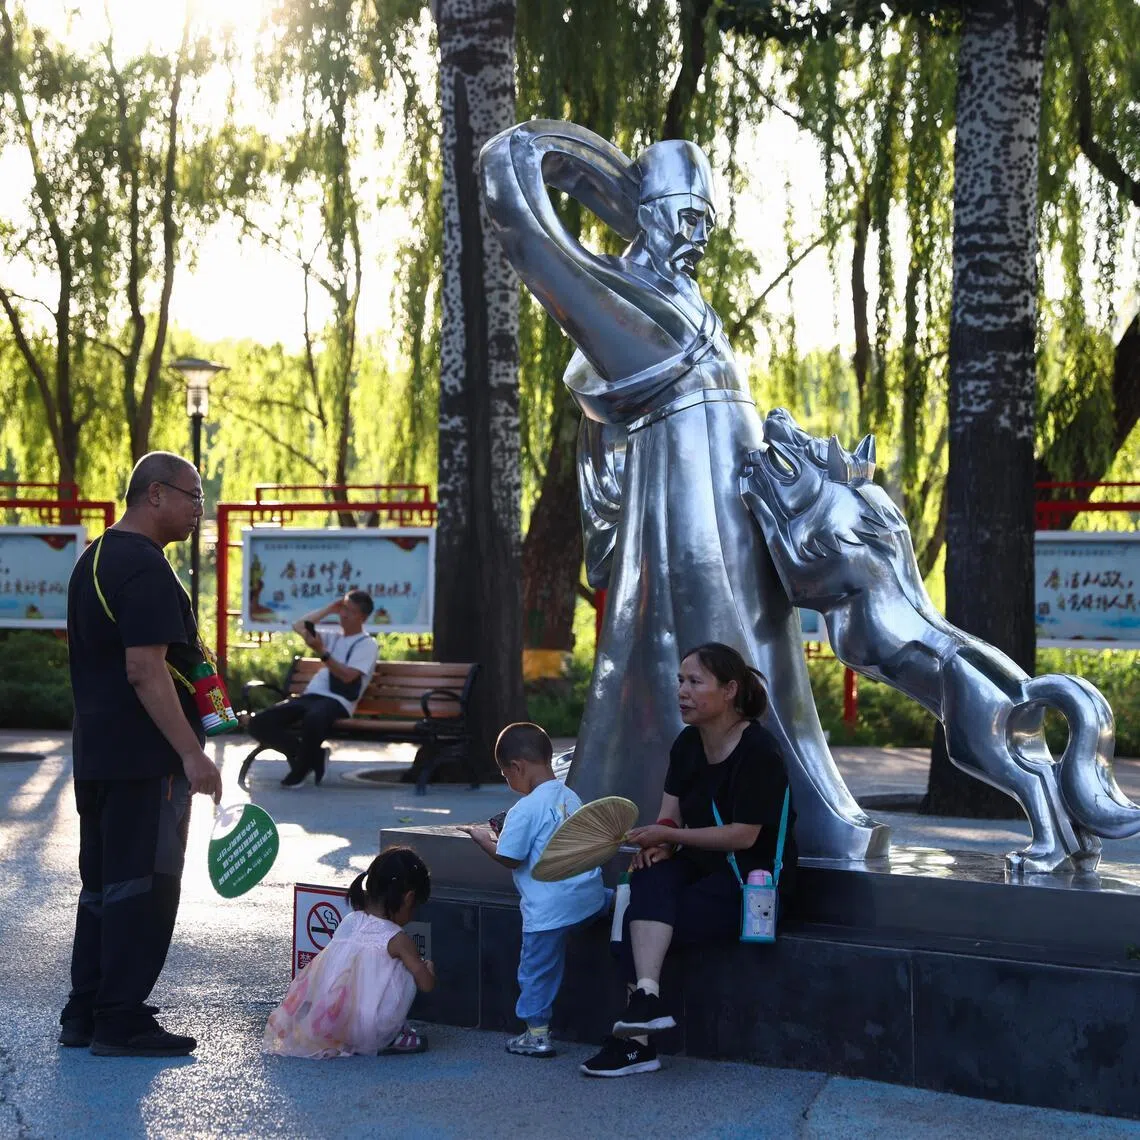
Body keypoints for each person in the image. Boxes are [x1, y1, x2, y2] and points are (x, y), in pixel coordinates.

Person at [480, 121, 882, 861]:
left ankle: (792, 793)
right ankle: (651, 790)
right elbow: (515, 188)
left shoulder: (690, 300)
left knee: (763, 641)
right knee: (698, 635)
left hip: (732, 495)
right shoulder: (622, 296)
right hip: (676, 504)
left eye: (707, 219)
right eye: (683, 215)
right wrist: (601, 175)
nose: (698, 234)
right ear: (648, 211)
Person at [60, 451, 223, 1057]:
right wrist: (192, 755)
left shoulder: (93, 559)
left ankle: (86, 1010)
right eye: (193, 496)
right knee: (145, 887)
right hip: (146, 762)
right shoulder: (148, 570)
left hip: (98, 755)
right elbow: (144, 668)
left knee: (102, 886)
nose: (198, 511)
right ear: (155, 494)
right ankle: (121, 1018)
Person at [580, 642, 796, 1078]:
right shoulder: (687, 743)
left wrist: (671, 836)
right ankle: (646, 999)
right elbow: (669, 812)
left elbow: (745, 834)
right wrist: (660, 841)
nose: (682, 691)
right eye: (680, 681)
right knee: (645, 875)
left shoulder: (759, 751)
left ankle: (635, 1044)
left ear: (731, 690)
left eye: (695, 682)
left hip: (750, 881)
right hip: (700, 866)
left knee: (638, 919)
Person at [460, 723, 607, 1058]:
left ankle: (536, 1034)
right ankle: (621, 905)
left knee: (536, 972)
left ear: (518, 767)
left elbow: (510, 858)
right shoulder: (571, 797)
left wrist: (483, 839)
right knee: (604, 903)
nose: (507, 781)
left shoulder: (524, 809)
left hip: (549, 912)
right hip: (587, 898)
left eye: (505, 774)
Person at [263, 846, 435, 1057]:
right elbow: (427, 985)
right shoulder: (397, 939)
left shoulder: (350, 920)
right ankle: (393, 1035)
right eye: (414, 907)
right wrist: (427, 968)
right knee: (411, 968)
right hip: (371, 1028)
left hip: (333, 1019)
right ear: (408, 898)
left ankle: (352, 1034)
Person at [248, 591, 379, 787]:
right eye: (342, 609)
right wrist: (329, 609)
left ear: (363, 617)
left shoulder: (367, 644)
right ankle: (312, 756)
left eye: (349, 611)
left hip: (338, 700)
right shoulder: (333, 636)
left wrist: (322, 652)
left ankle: (301, 769)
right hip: (311, 696)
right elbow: (299, 626)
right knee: (259, 722)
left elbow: (348, 676)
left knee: (314, 718)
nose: (343, 615)